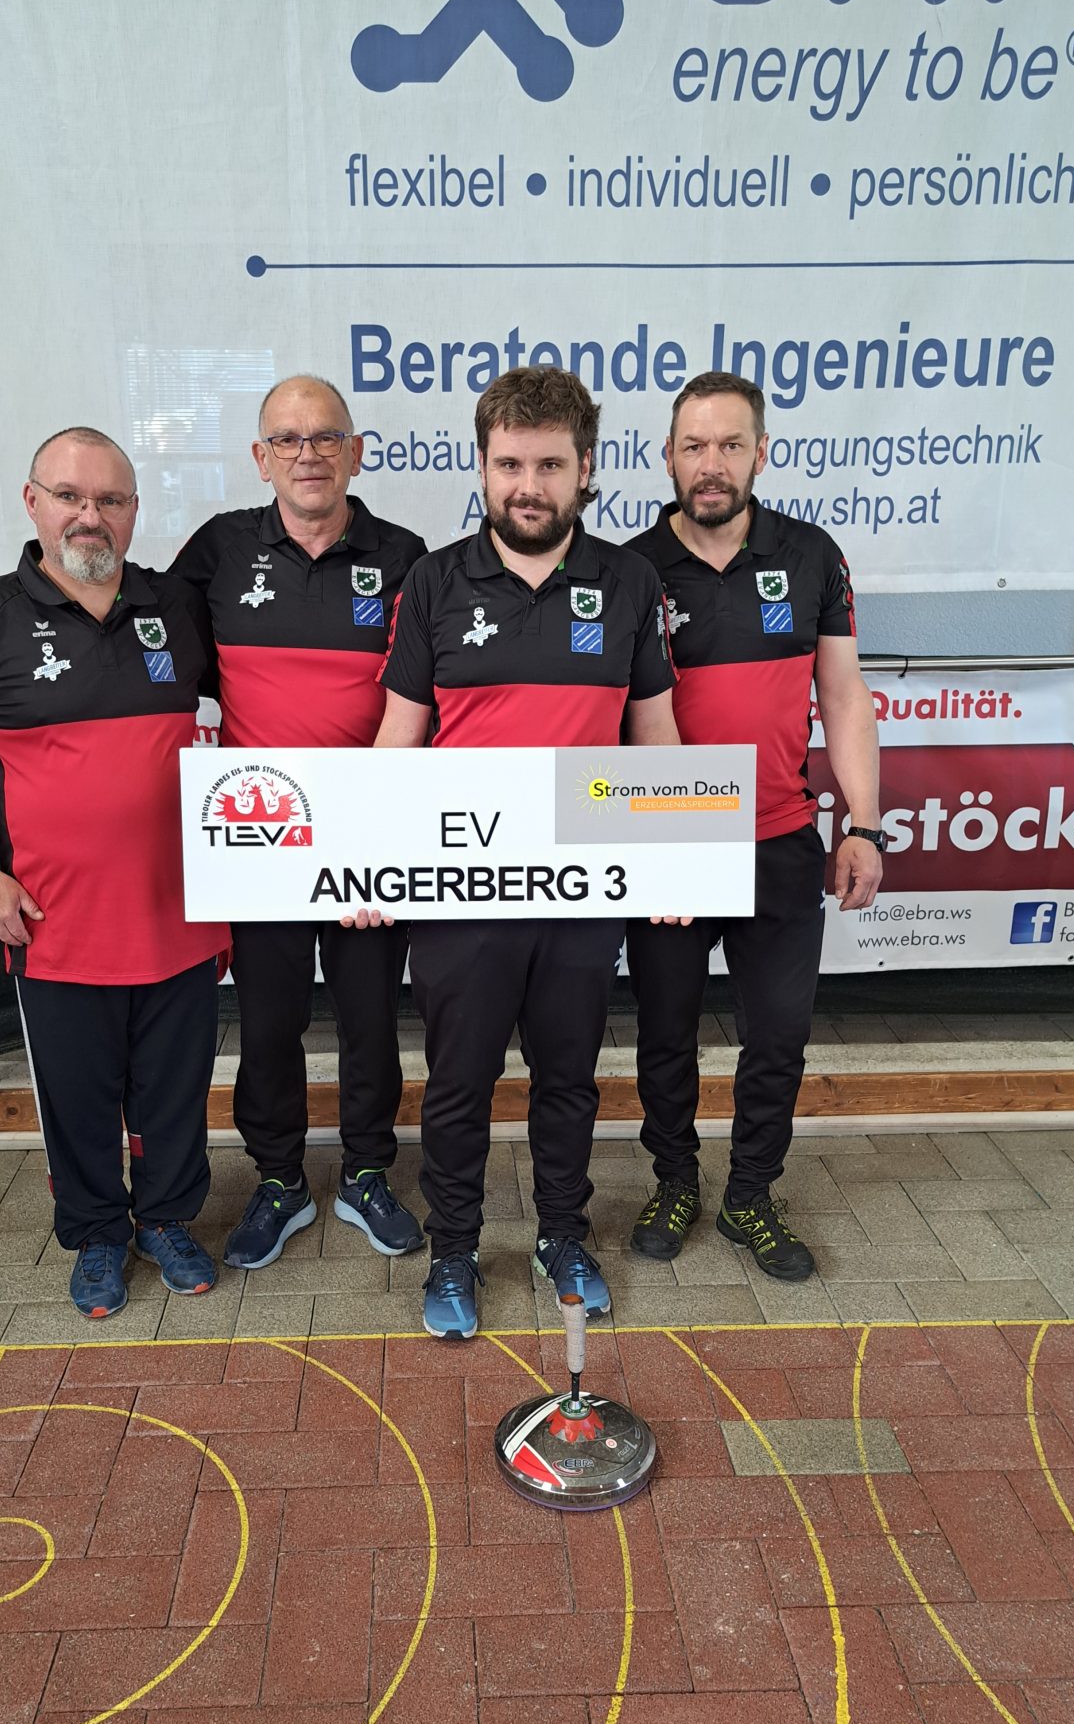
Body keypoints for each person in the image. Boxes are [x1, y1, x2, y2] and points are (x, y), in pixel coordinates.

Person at [372, 366, 680, 1339]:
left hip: (581, 891)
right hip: (463, 892)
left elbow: (656, 737)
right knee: (458, 1084)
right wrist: (369, 859)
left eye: (549, 464)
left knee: (568, 1080)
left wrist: (675, 858)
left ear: (585, 468)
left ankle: (561, 1237)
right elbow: (398, 738)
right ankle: (454, 1249)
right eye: (510, 464)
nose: (528, 485)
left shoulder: (630, 582)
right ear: (482, 466)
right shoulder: (434, 581)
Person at [0, 426, 231, 1319]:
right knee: (79, 1098)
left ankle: (167, 1221)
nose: (92, 516)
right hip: (54, 925)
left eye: (111, 500)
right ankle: (96, 1236)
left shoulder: (177, 608)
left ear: (134, 511)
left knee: (174, 1090)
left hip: (181, 915)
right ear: (33, 502)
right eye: (71, 497)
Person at [623, 372, 883, 1281]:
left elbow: (843, 696)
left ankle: (750, 1196)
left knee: (778, 1034)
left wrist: (865, 825)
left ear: (761, 453)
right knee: (665, 1031)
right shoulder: (629, 568)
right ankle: (675, 1180)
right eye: (694, 446)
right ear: (667, 456)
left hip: (779, 838)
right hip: (670, 839)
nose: (712, 463)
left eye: (731, 445)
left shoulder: (811, 555)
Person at [169, 375, 428, 1270]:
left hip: (370, 833)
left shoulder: (404, 556)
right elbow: (163, 665)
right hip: (262, 834)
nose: (307, 453)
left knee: (370, 1019)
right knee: (269, 1024)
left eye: (325, 437)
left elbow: (425, 700)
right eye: (287, 438)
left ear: (355, 453)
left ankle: (366, 1173)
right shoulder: (217, 551)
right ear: (260, 457)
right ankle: (279, 1179)